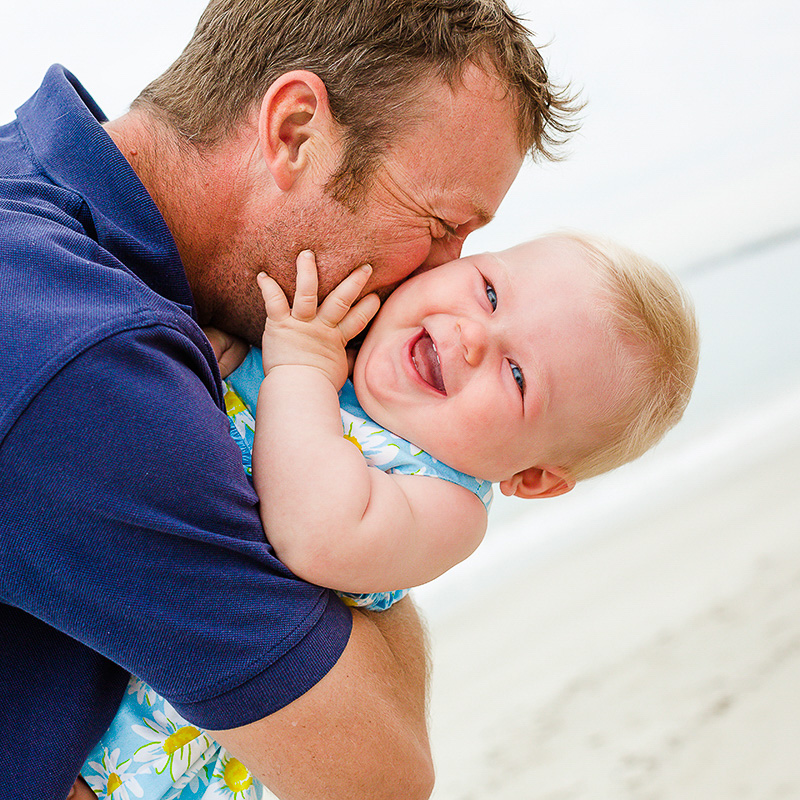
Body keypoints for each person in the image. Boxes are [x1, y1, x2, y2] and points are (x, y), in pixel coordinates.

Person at [0, 0, 580, 796]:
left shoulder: (36, 210)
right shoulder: (89, 360)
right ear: (296, 131)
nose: (437, 274)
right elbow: (374, 774)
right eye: (442, 224)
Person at [76, 232, 698, 799]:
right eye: (489, 291)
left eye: (516, 375)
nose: (473, 335)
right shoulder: (330, 333)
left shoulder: (443, 500)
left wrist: (297, 368)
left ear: (531, 478)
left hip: (156, 748)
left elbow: (315, 533)